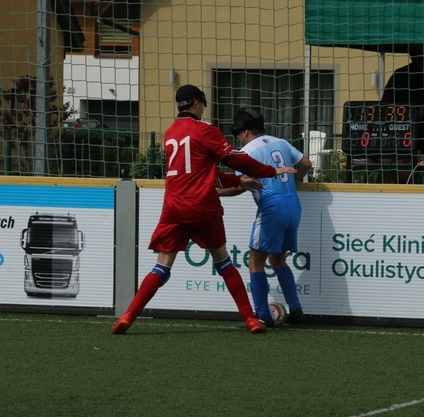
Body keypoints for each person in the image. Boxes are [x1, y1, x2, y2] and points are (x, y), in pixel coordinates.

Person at [111, 85, 296, 335]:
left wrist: (235, 181)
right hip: (202, 207)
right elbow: (234, 158)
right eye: (203, 105)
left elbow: (198, 173)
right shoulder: (205, 130)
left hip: (174, 207)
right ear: (197, 103)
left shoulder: (169, 134)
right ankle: (251, 319)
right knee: (224, 263)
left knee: (161, 268)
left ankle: (128, 315)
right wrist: (269, 170)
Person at [218, 108, 311, 327]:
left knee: (255, 260)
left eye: (239, 134)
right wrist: (293, 181)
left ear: (246, 132)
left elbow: (241, 186)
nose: (239, 139)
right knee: (277, 259)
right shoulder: (281, 142)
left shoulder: (247, 151)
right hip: (293, 203)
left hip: (272, 206)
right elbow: (305, 164)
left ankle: (261, 315)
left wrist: (216, 193)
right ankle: (296, 310)